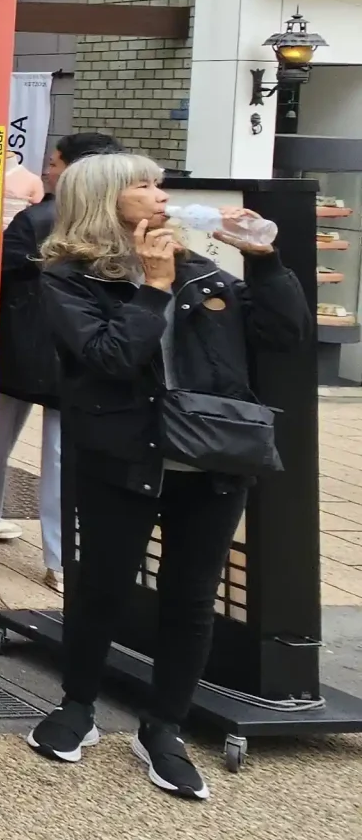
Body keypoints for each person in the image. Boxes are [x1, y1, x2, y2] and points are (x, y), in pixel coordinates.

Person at [27, 153, 300, 800]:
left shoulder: (201, 267)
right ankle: (77, 704)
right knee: (102, 585)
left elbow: (284, 334)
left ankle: (165, 726)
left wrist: (265, 261)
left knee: (192, 596)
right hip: (123, 454)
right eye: (143, 185)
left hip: (212, 459)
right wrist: (152, 286)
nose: (160, 194)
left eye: (158, 183)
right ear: (103, 198)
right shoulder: (69, 278)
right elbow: (110, 357)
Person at [0, 131, 122, 589]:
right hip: (85, 353)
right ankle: (62, 559)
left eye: (54, 162)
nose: (47, 169)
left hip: (22, 347)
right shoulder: (118, 224)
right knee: (64, 457)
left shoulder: (37, 220)